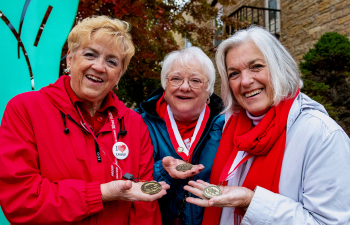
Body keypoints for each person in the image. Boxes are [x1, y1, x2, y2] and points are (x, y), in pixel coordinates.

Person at [0, 16, 169, 224]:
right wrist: (102, 193)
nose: (99, 67)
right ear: (70, 59)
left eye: (111, 61)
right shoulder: (25, 109)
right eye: (90, 54)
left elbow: (144, 208)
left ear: (119, 74)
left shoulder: (133, 124)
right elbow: (20, 200)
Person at [184, 26, 350, 225]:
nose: (245, 81)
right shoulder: (230, 126)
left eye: (256, 67)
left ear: (279, 67)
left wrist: (251, 201)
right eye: (234, 74)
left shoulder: (323, 135)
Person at [136, 47, 224, 225]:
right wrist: (162, 171)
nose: (184, 87)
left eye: (195, 80)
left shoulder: (227, 126)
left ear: (209, 89)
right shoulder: (139, 123)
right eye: (176, 79)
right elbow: (129, 179)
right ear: (165, 85)